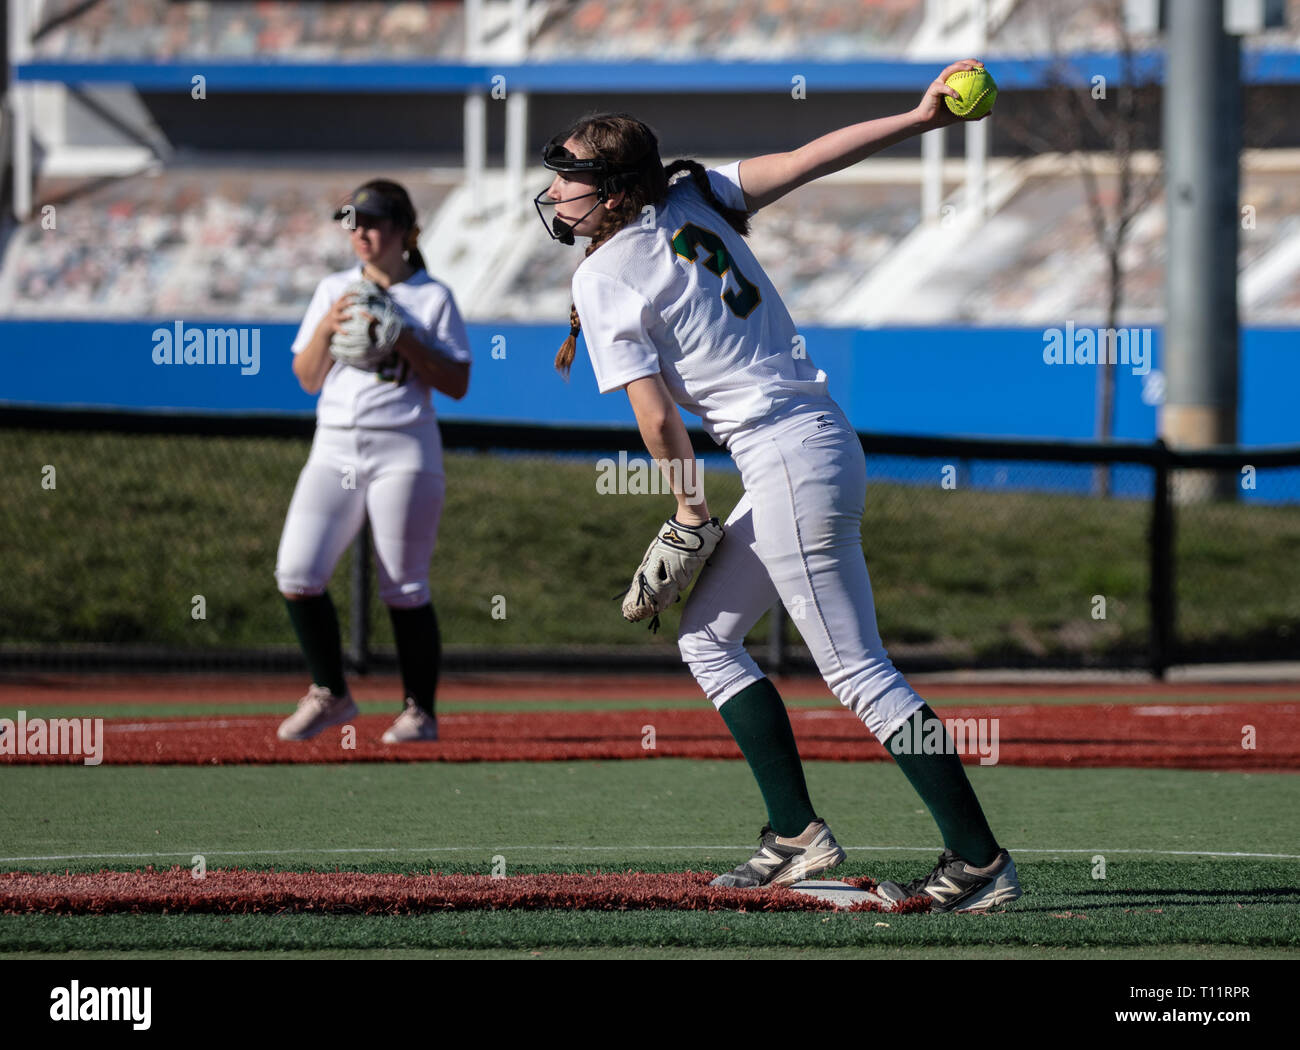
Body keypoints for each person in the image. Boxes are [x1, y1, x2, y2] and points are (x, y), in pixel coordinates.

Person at [535, 61, 1021, 912]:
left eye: (569, 174)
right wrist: (918, 120)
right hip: (808, 445)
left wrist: (689, 508)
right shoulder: (692, 196)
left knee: (860, 672)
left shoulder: (605, 271)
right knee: (708, 637)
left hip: (787, 454)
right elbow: (809, 157)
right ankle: (795, 833)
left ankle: (979, 863)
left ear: (611, 193)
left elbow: (656, 423)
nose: (555, 188)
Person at [274, 179, 471, 744]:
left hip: (404, 445)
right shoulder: (334, 288)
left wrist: (404, 334)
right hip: (333, 444)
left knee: (404, 586)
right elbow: (309, 377)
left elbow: (457, 383)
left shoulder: (433, 296)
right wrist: (330, 326)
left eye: (375, 221)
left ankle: (420, 712)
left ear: (407, 232)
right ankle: (331, 693)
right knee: (296, 572)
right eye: (353, 221)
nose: (361, 232)